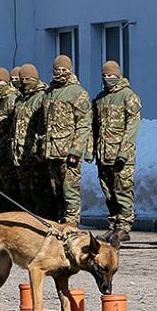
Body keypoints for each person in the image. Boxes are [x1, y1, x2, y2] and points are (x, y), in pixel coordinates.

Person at [90, 60, 142, 245]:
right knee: (109, 192)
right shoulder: (100, 98)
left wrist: (123, 153)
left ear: (118, 75)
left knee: (122, 189)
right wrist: (91, 150)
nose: (107, 78)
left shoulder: (129, 96)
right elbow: (94, 127)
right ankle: (113, 225)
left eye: (111, 75)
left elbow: (132, 127)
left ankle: (124, 227)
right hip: (103, 154)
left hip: (121, 155)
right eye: (104, 76)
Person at [42, 55, 91, 226]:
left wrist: (76, 150)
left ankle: (71, 225)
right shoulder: (49, 92)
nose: (60, 73)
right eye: (57, 69)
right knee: (56, 191)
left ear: (70, 70)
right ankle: (59, 224)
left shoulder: (77, 92)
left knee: (70, 191)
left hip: (68, 152)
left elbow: (84, 124)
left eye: (64, 69)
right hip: (51, 152)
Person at [12, 64, 54, 219]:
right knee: (25, 193)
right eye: (22, 78)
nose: (24, 82)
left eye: (28, 78)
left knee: (39, 192)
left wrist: (40, 149)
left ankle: (43, 222)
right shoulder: (20, 99)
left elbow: (44, 126)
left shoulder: (42, 96)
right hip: (20, 153)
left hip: (35, 154)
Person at [0, 68, 20, 212]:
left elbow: (16, 127)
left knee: (11, 192)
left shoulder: (11, 99)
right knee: (0, 191)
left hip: (7, 155)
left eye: (0, 80)